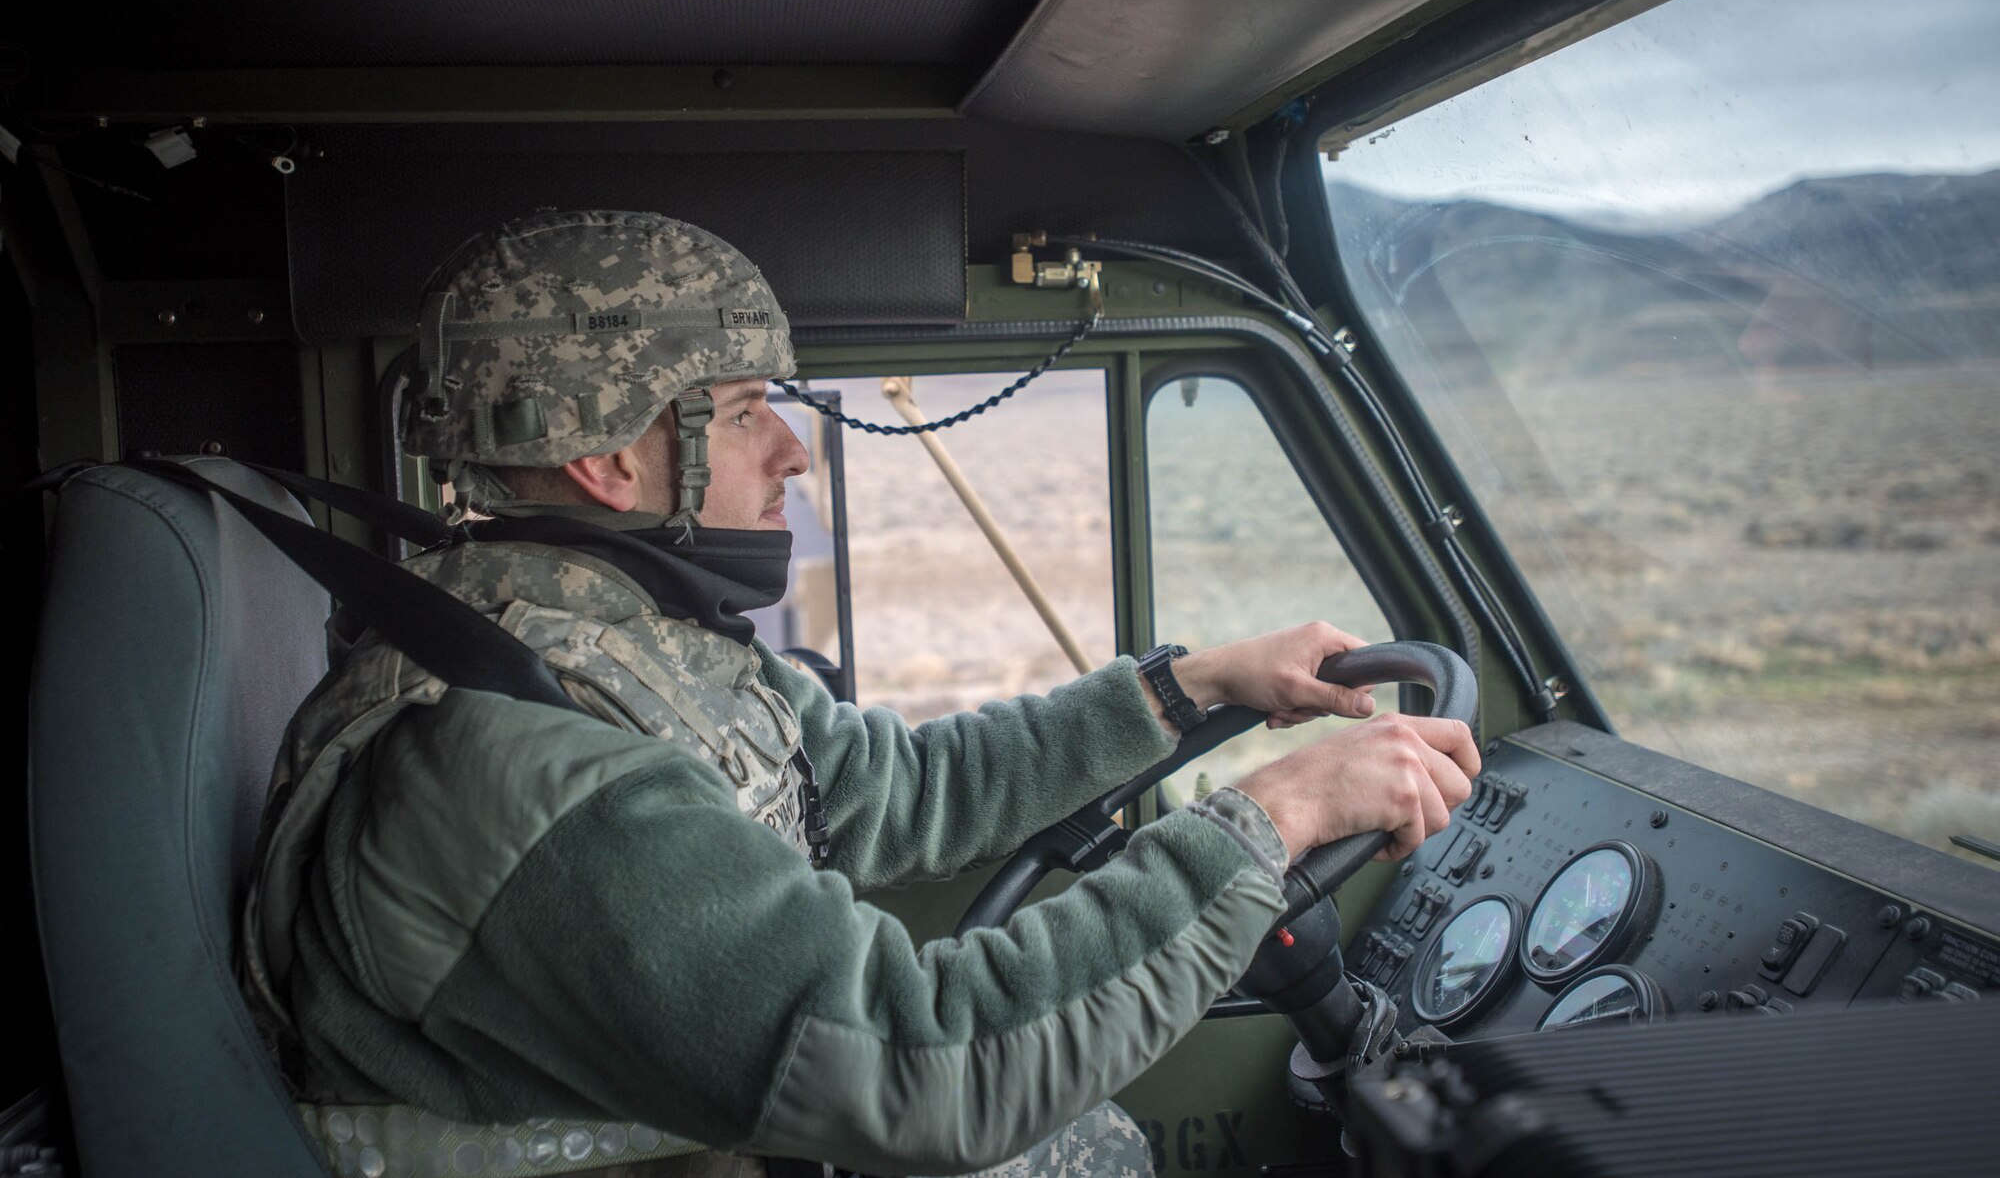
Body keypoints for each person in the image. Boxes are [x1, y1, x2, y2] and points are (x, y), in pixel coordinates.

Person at [240, 209, 1478, 1178]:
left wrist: (1192, 686)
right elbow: (926, 1063)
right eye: (739, 413)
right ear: (612, 459)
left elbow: (900, 790)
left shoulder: (614, 648)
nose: (788, 449)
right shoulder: (513, 767)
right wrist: (1264, 824)